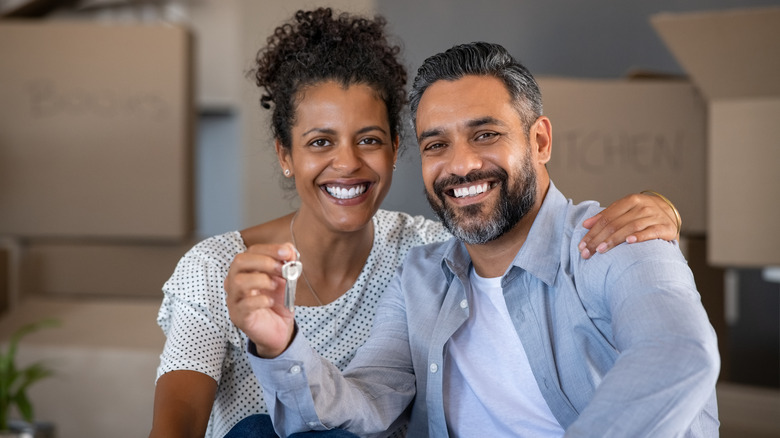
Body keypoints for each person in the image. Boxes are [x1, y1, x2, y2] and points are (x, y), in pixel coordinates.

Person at [149, 8, 684, 437]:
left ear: (395, 149)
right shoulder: (219, 266)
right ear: (285, 155)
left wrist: (662, 211)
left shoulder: (426, 251)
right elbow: (178, 423)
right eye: (319, 143)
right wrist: (280, 344)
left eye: (370, 140)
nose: (347, 163)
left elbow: (674, 352)